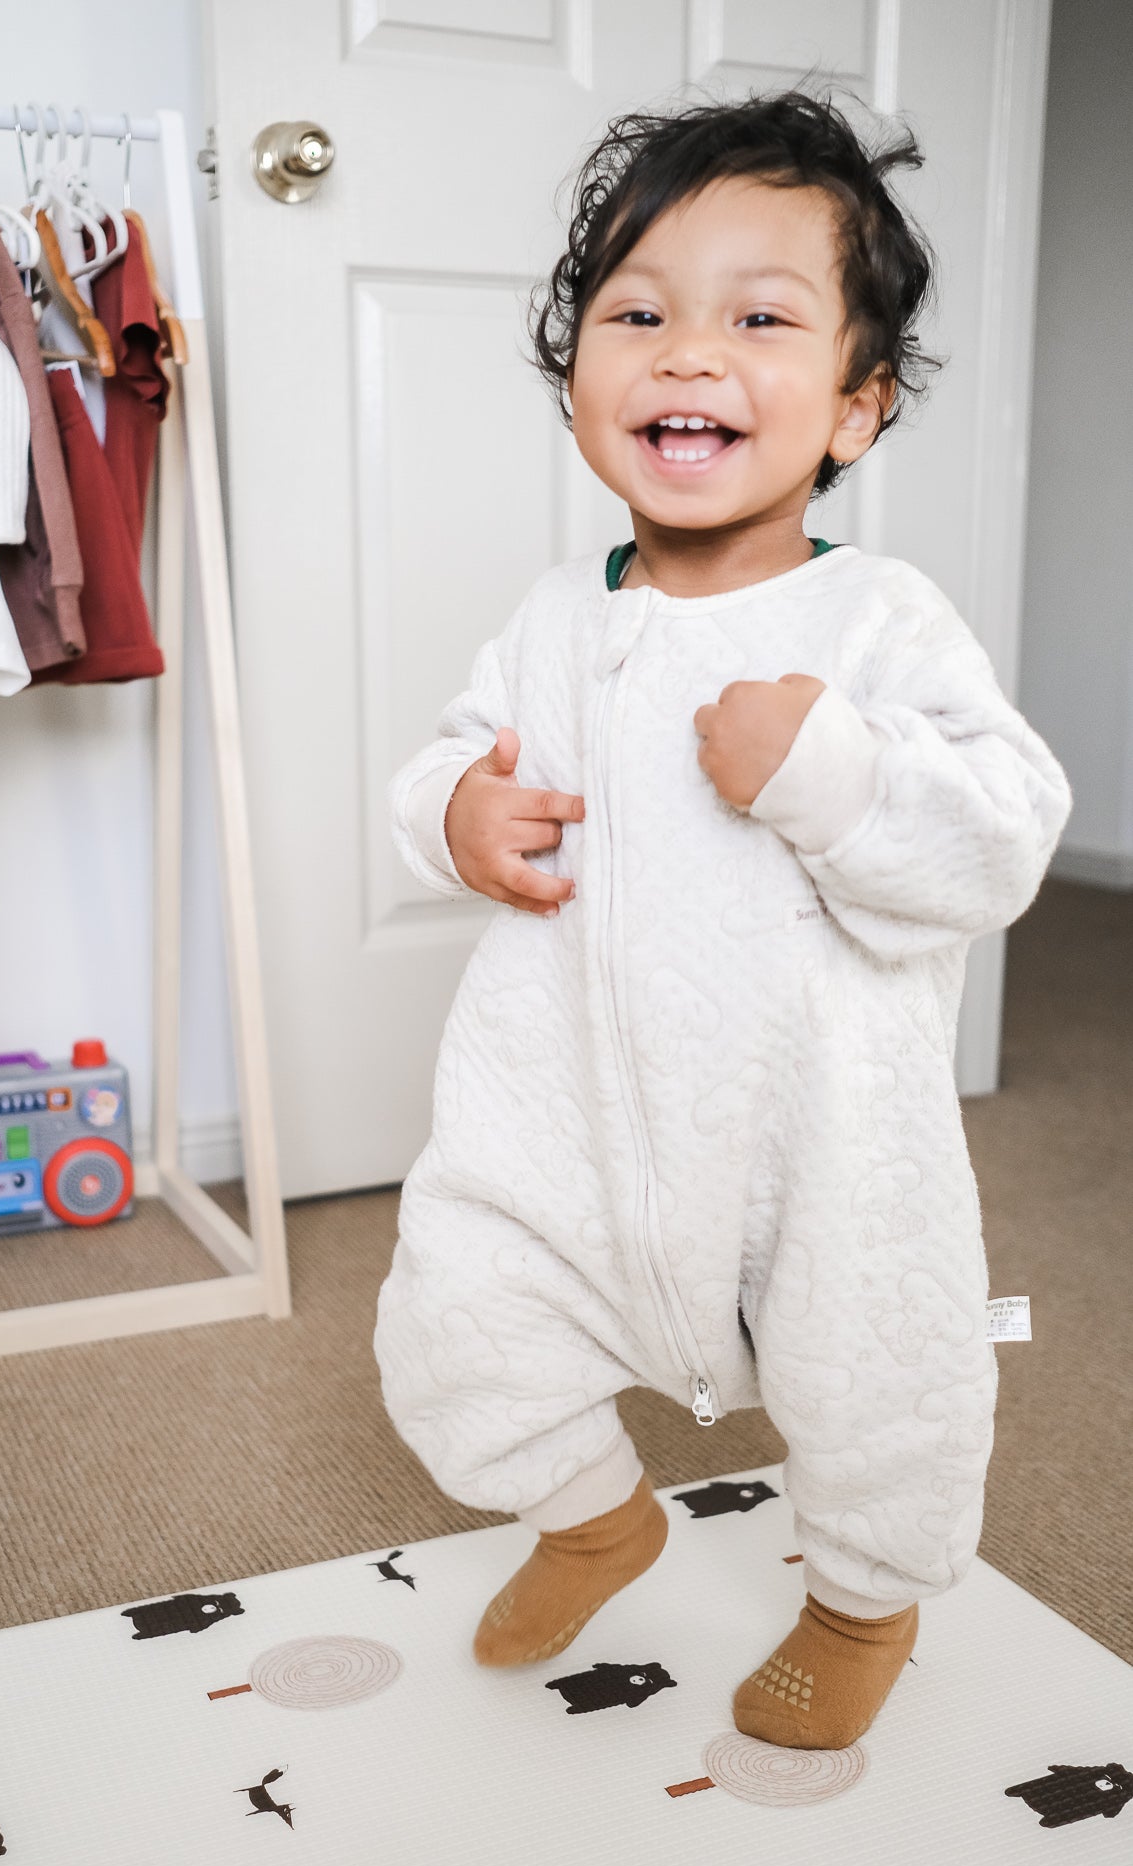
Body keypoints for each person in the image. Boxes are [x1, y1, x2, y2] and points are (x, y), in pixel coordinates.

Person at [373, 91, 1071, 1751]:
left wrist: (826, 768)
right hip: (558, 1122)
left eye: (759, 317)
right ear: (576, 398)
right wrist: (452, 818)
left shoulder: (878, 619)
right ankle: (590, 1517)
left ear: (854, 404)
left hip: (819, 1146)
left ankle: (862, 1601)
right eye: (637, 315)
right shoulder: (551, 619)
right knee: (455, 1317)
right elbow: (445, 762)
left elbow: (1002, 837)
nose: (689, 353)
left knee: (871, 1388)